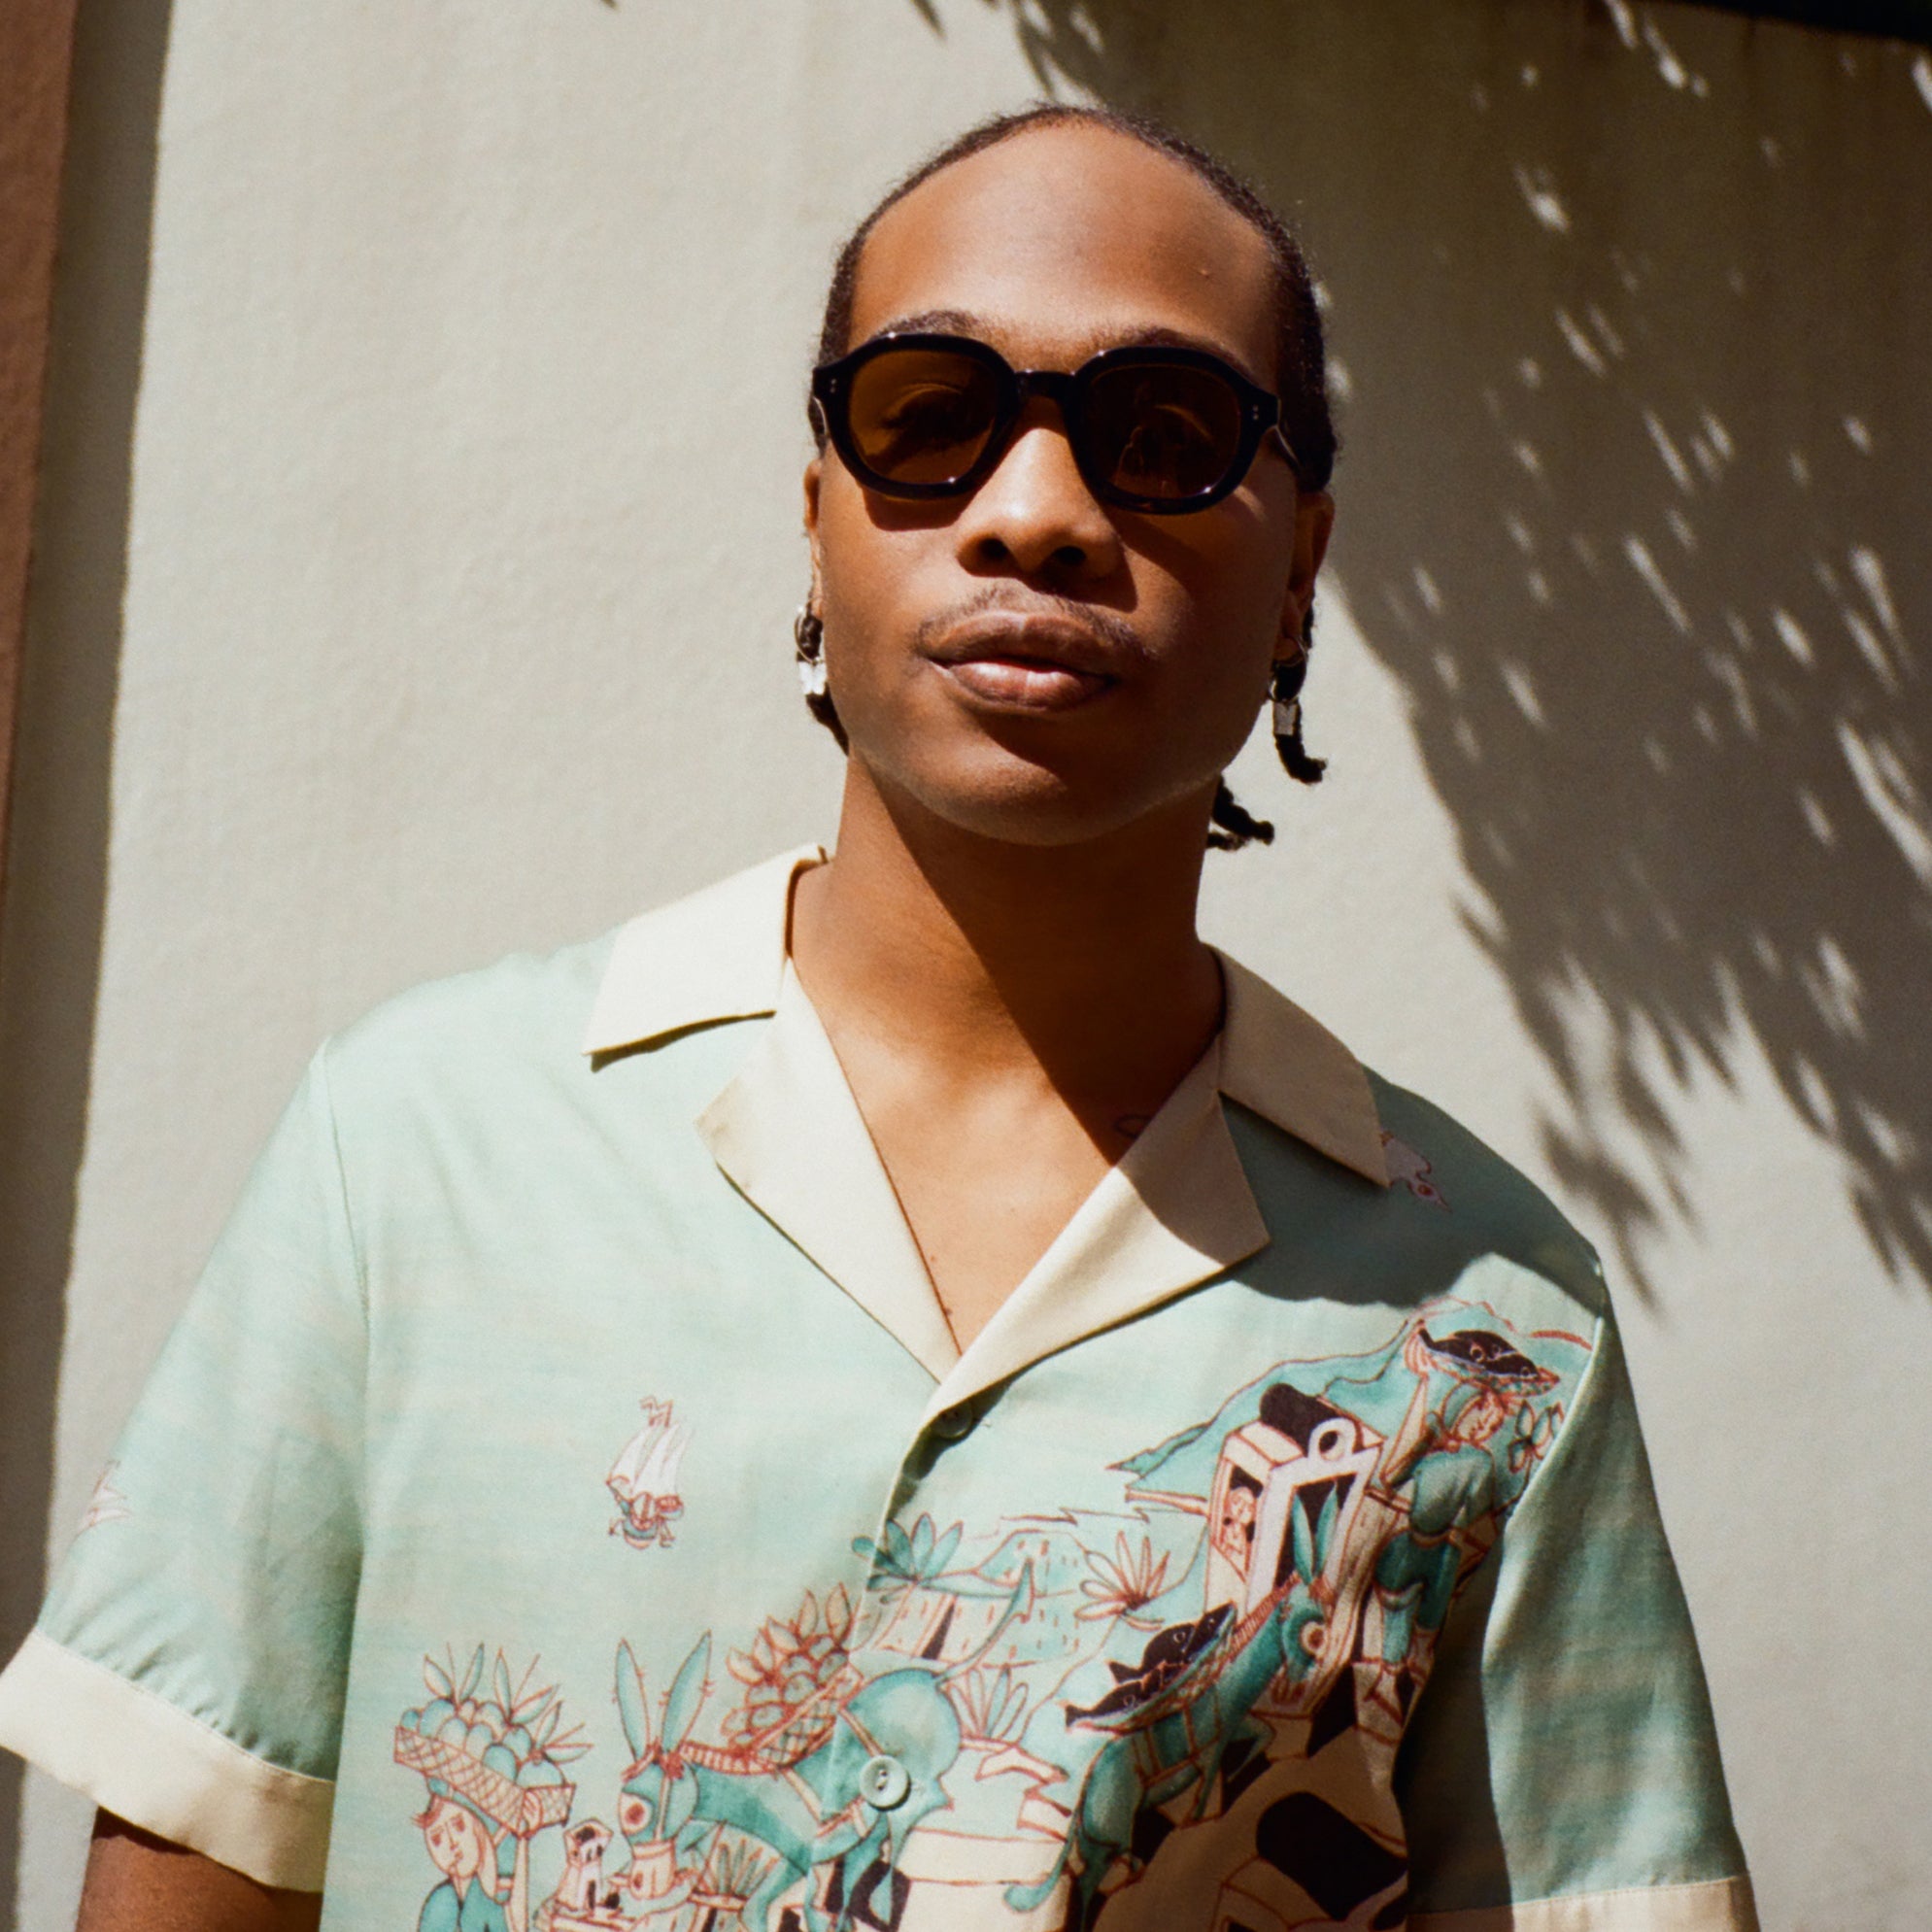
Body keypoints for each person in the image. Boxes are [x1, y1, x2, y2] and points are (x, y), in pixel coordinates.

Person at [0, 104, 1759, 1931]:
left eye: (1167, 437)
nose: (1039, 513)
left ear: (1302, 558)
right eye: (929, 413)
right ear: (818, 509)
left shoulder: (1487, 1323)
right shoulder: (419, 1149)